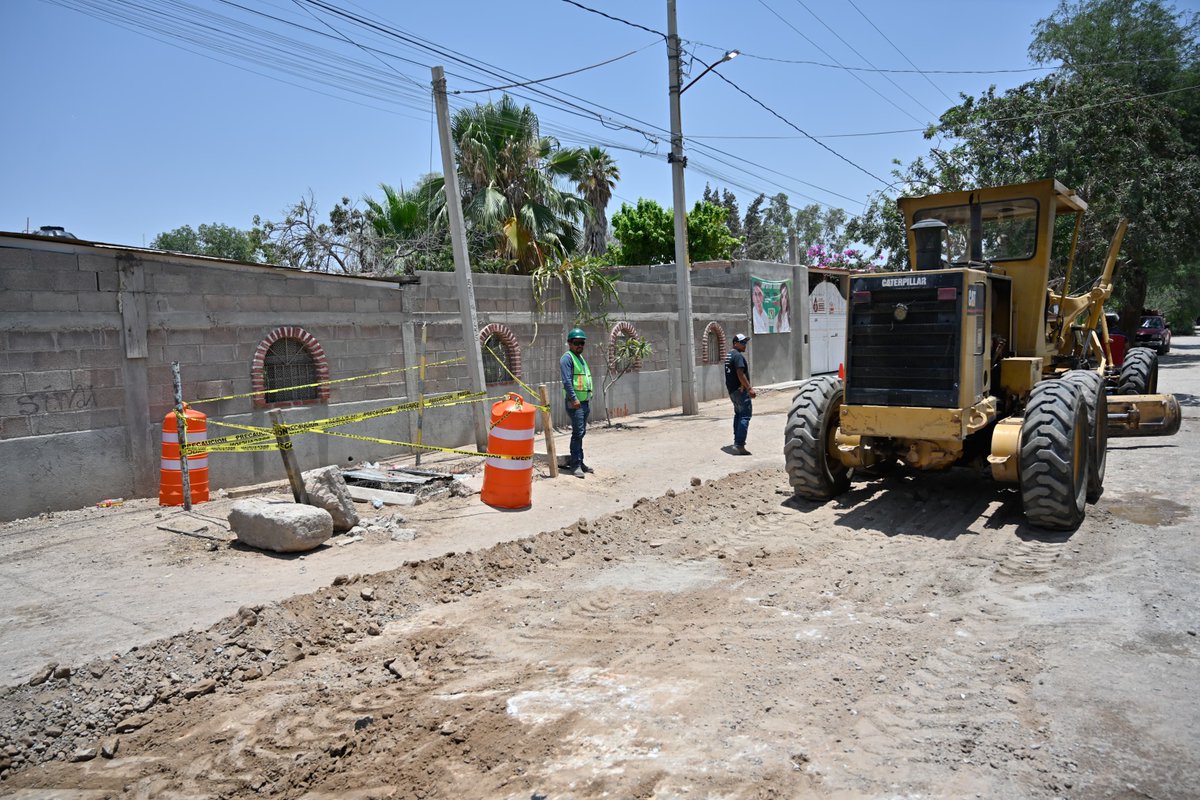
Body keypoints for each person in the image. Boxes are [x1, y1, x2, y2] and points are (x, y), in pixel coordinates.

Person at [559, 327, 593, 478]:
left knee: (581, 432)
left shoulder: (579, 358)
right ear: (570, 343)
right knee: (577, 433)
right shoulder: (567, 358)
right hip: (575, 403)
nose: (580, 345)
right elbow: (567, 381)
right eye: (577, 342)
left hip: (584, 402)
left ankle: (580, 461)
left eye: (582, 343)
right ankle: (575, 465)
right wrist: (574, 399)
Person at [724, 333, 756, 455]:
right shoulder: (737, 356)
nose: (745, 345)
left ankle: (736, 440)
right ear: (735, 343)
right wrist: (749, 389)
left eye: (745, 342)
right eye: (742, 342)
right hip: (740, 391)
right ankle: (739, 445)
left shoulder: (729, 354)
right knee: (745, 416)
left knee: (738, 414)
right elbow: (740, 374)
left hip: (732, 391)